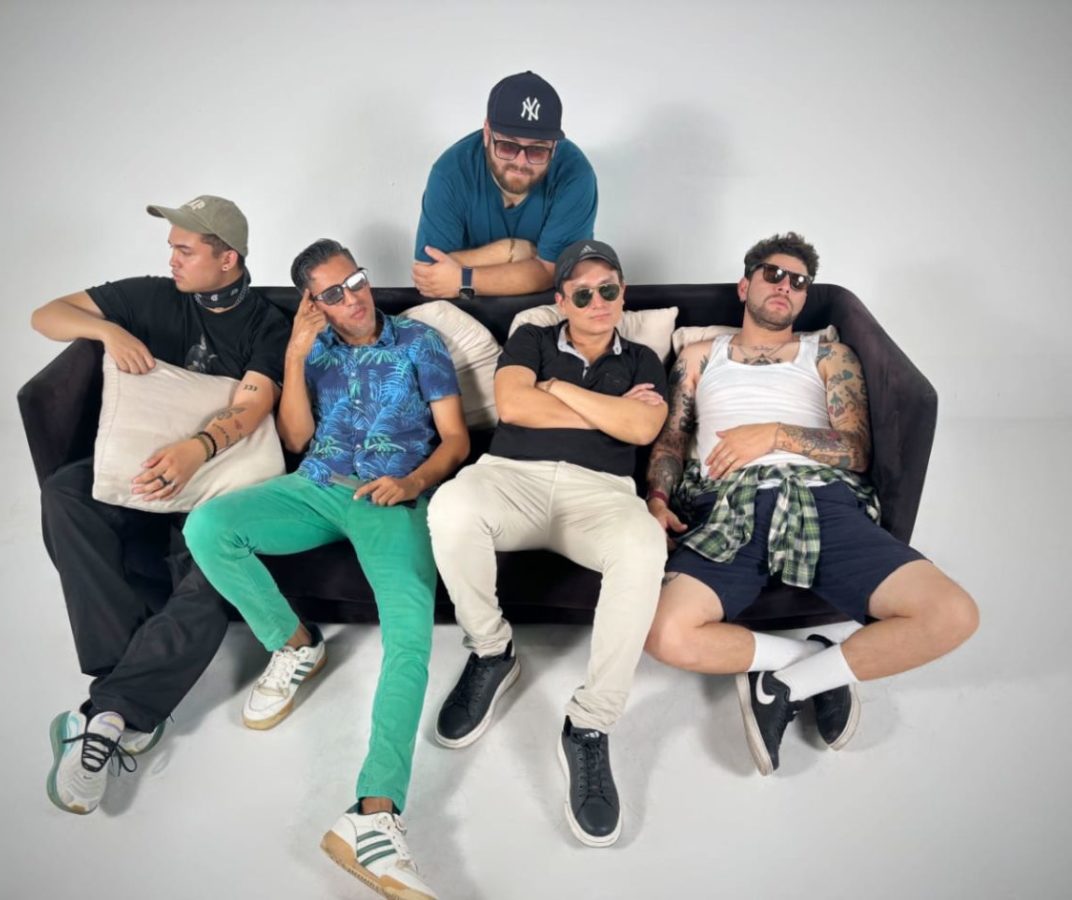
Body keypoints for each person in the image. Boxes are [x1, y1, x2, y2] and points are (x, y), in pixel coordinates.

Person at [184, 239, 468, 900]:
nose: (354, 297)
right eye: (334, 293)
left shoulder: (419, 342)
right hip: (315, 488)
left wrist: (412, 482)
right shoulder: (313, 350)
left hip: (389, 496)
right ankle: (295, 644)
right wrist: (294, 350)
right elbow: (294, 439)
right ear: (314, 303)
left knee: (409, 635)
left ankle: (374, 812)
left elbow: (455, 439)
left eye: (357, 281)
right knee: (208, 527)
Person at [643, 231, 979, 775]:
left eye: (799, 282)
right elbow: (671, 441)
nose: (786, 287)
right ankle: (813, 660)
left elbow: (856, 450)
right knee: (664, 633)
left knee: (953, 614)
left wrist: (773, 434)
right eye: (774, 274)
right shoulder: (699, 356)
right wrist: (657, 499)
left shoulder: (828, 355)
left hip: (820, 498)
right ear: (745, 285)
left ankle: (786, 685)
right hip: (728, 506)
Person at [31, 195, 289, 813]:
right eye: (171, 247)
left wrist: (197, 449)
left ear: (227, 259)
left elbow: (252, 404)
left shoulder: (267, 326)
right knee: (65, 491)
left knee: (218, 575)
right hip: (145, 469)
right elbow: (45, 315)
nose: (171, 258)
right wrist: (107, 330)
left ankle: (109, 714)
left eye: (185, 250)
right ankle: (124, 683)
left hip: (218, 478)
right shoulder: (151, 295)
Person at [427, 239, 668, 847]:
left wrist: (555, 389)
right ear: (561, 301)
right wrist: (608, 412)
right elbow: (513, 404)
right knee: (451, 506)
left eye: (608, 289)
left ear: (623, 293)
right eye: (582, 294)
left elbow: (643, 427)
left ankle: (589, 724)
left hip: (601, 495)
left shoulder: (643, 357)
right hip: (512, 478)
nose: (597, 302)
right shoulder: (531, 337)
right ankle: (492, 652)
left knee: (644, 547)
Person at [412, 70, 597, 299]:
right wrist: (509, 251)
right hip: (465, 303)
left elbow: (554, 271)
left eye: (537, 150)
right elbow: (429, 273)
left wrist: (463, 278)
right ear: (487, 133)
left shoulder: (575, 174)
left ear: (554, 146)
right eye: (508, 146)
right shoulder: (451, 172)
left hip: (549, 304)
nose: (521, 163)